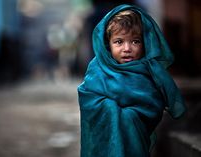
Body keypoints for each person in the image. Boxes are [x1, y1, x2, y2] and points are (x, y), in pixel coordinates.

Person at [77, 4, 186, 157]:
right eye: (119, 42)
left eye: (135, 41)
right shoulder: (98, 70)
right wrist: (111, 108)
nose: (127, 48)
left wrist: (130, 116)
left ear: (145, 43)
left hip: (137, 143)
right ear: (108, 44)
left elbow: (153, 105)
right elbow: (87, 96)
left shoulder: (150, 72)